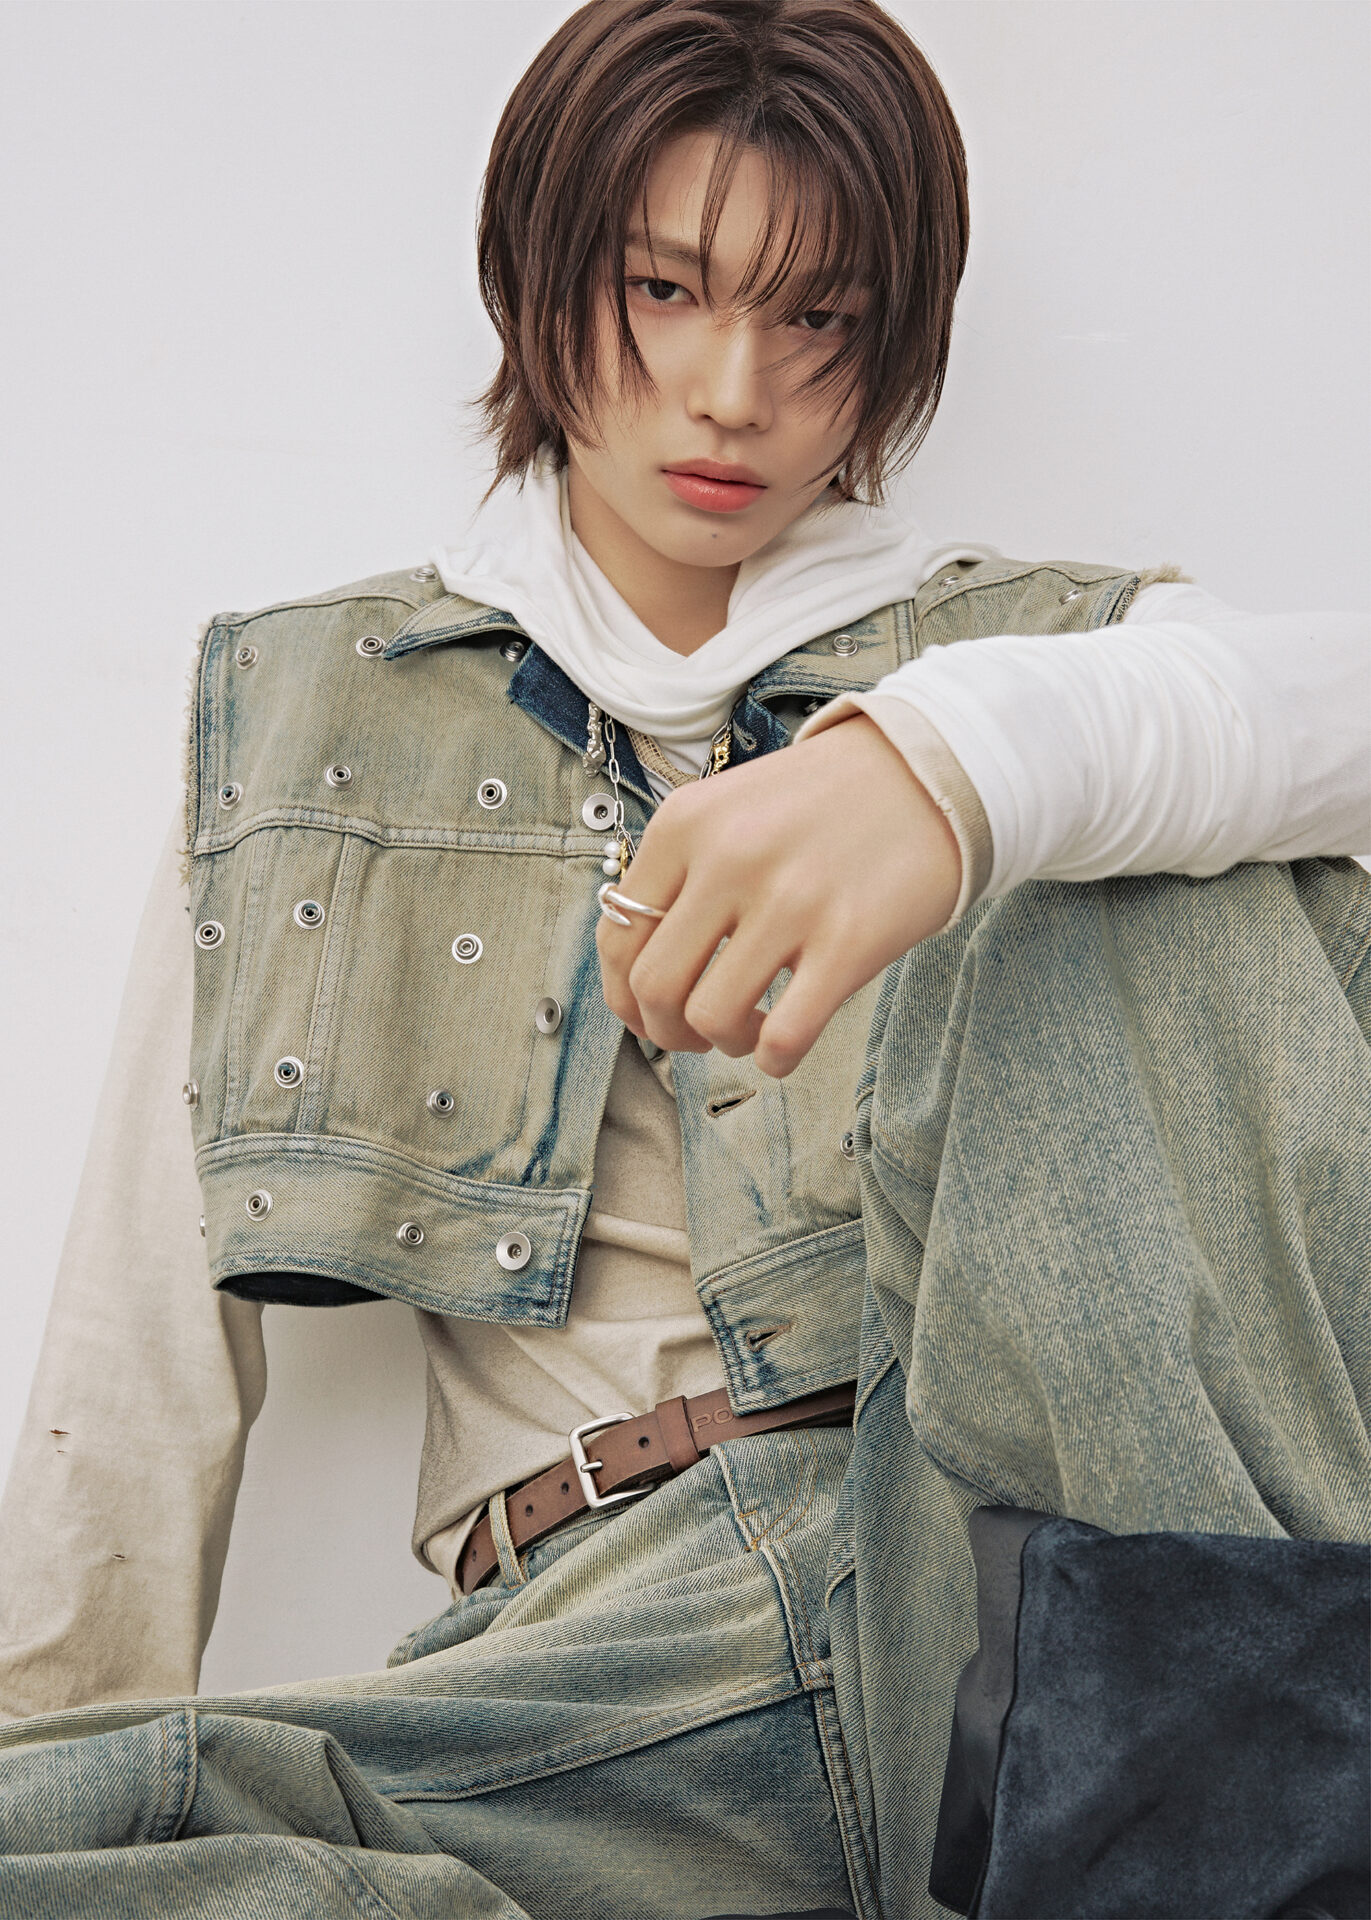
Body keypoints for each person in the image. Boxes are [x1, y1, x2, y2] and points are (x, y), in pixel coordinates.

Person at [0, 0, 1366, 1915]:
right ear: (539, 268)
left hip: (993, 1558)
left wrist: (959, 767)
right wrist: (59, 1748)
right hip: (594, 1658)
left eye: (821, 319)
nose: (735, 392)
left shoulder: (1059, 654)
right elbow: (140, 1358)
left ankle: (1225, 1797)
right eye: (663, 290)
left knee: (1175, 855)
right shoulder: (304, 720)